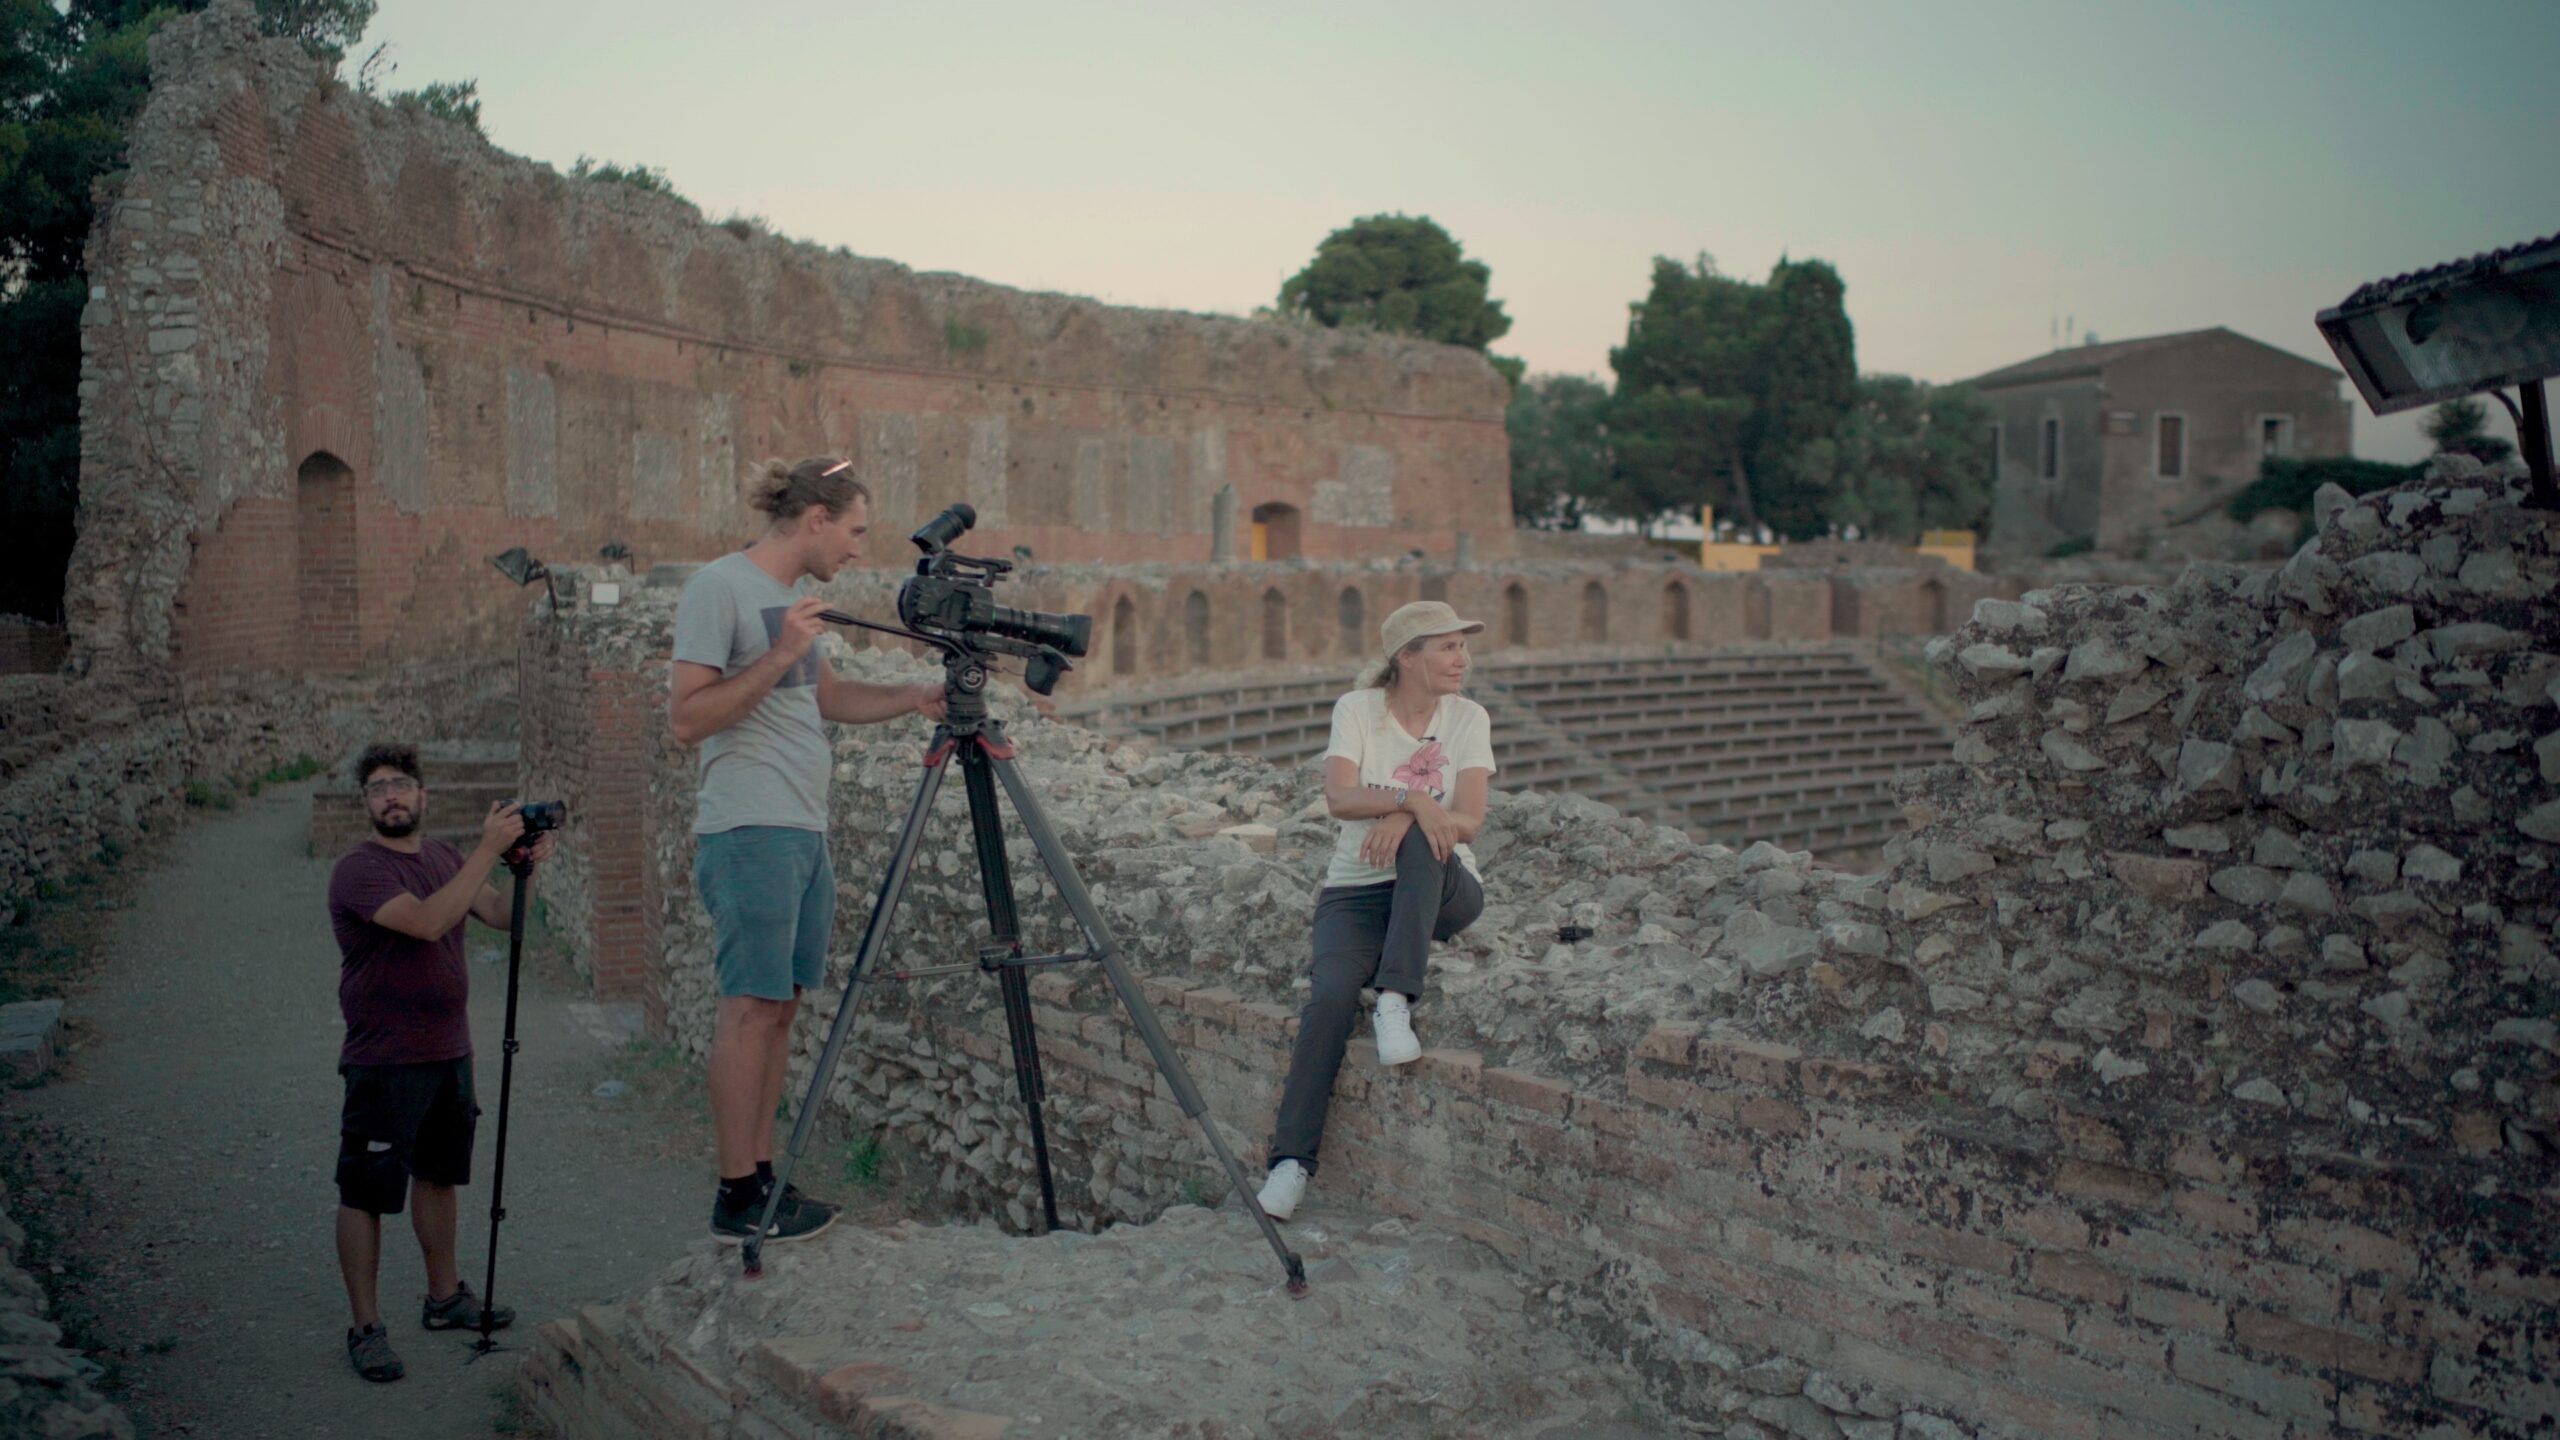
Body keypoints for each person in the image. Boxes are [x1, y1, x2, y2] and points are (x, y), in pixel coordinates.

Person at [669, 456, 946, 1245]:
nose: (859, 549)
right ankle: (734, 1195)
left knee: (782, 1009)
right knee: (749, 1007)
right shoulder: (717, 588)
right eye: (854, 530)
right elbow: (687, 720)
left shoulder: (789, 602)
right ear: (816, 517)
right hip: (749, 825)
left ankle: (765, 1181)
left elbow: (825, 700)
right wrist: (781, 653)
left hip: (801, 828)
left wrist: (910, 698)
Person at [1257, 600, 1495, 1221]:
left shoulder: (1468, 717)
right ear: (1406, 657)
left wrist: (1413, 814)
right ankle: (1290, 1163)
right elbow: (1338, 796)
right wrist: (1412, 796)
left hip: (1444, 887)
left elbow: (1468, 818)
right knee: (1330, 994)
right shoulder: (1357, 710)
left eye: (1462, 647)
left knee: (1424, 834)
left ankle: (1395, 995)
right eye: (1447, 647)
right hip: (1357, 891)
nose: (1461, 659)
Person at [327, 742, 555, 1383]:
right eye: (378, 788)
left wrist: (524, 871)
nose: (392, 796)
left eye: (402, 784)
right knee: (366, 1191)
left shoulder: (443, 857)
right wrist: (487, 848)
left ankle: (444, 1295)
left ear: (423, 796)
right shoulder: (358, 870)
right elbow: (428, 923)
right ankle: (366, 1327)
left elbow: (505, 918)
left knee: (438, 1176)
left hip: (449, 1050)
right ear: (366, 803)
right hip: (383, 1058)